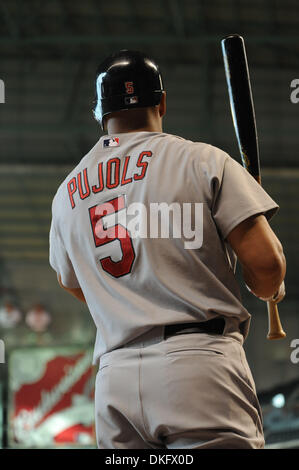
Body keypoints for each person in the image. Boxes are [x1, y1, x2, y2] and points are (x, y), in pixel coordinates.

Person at [49, 50, 286, 449]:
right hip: (198, 366)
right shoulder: (202, 160)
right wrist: (268, 288)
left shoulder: (66, 194)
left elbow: (74, 283)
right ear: (161, 102)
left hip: (115, 379)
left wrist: (126, 305)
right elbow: (267, 266)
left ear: (100, 115)